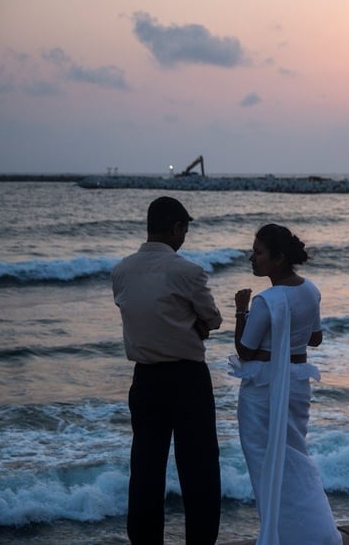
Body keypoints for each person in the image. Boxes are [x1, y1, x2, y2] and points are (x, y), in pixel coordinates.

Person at [111, 196, 223, 544]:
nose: (184, 238)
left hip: (145, 379)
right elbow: (213, 319)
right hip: (188, 378)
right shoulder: (187, 271)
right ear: (177, 228)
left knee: (146, 468)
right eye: (184, 231)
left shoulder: (121, 271)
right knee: (199, 468)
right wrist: (193, 325)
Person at [231, 224, 342, 545]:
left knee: (266, 462)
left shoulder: (267, 301)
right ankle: (309, 531)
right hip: (297, 382)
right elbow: (316, 338)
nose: (252, 258)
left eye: (259, 253)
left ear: (278, 259)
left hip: (265, 387)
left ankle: (281, 533)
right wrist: (288, 334)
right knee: (294, 454)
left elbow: (245, 349)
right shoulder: (310, 290)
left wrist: (241, 309)